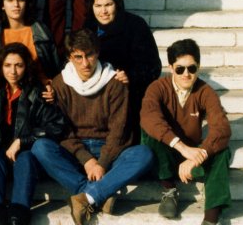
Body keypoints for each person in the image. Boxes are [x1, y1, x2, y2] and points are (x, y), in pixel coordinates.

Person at [32, 29, 153, 225]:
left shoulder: (115, 82)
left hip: (110, 148)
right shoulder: (60, 84)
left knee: (143, 154)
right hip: (75, 149)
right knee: (41, 148)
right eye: (78, 57)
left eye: (89, 55)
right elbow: (63, 131)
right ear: (70, 58)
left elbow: (119, 130)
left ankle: (85, 198)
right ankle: (99, 194)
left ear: (97, 53)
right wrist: (87, 160)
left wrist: (102, 163)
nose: (85, 63)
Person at [141, 39, 231, 225]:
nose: (186, 74)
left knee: (222, 151)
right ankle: (169, 190)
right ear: (171, 67)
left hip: (192, 157)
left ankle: (211, 218)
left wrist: (198, 155)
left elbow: (221, 127)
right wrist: (182, 148)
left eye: (192, 68)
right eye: (180, 69)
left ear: (198, 67)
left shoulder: (205, 91)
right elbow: (149, 118)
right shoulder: (157, 88)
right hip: (164, 156)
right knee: (149, 131)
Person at [0, 43, 66, 225]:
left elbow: (56, 125)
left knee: (25, 158)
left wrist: (22, 141)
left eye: (19, 65)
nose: (13, 71)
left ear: (27, 67)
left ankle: (19, 213)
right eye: (8, 65)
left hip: (25, 155)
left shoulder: (37, 92)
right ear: (0, 66)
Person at [84, 0, 161, 141]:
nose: (103, 11)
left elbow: (153, 66)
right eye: (98, 6)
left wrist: (130, 77)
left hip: (129, 94)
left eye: (108, 5)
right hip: (96, 94)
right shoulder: (88, 28)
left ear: (116, 5)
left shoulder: (135, 25)